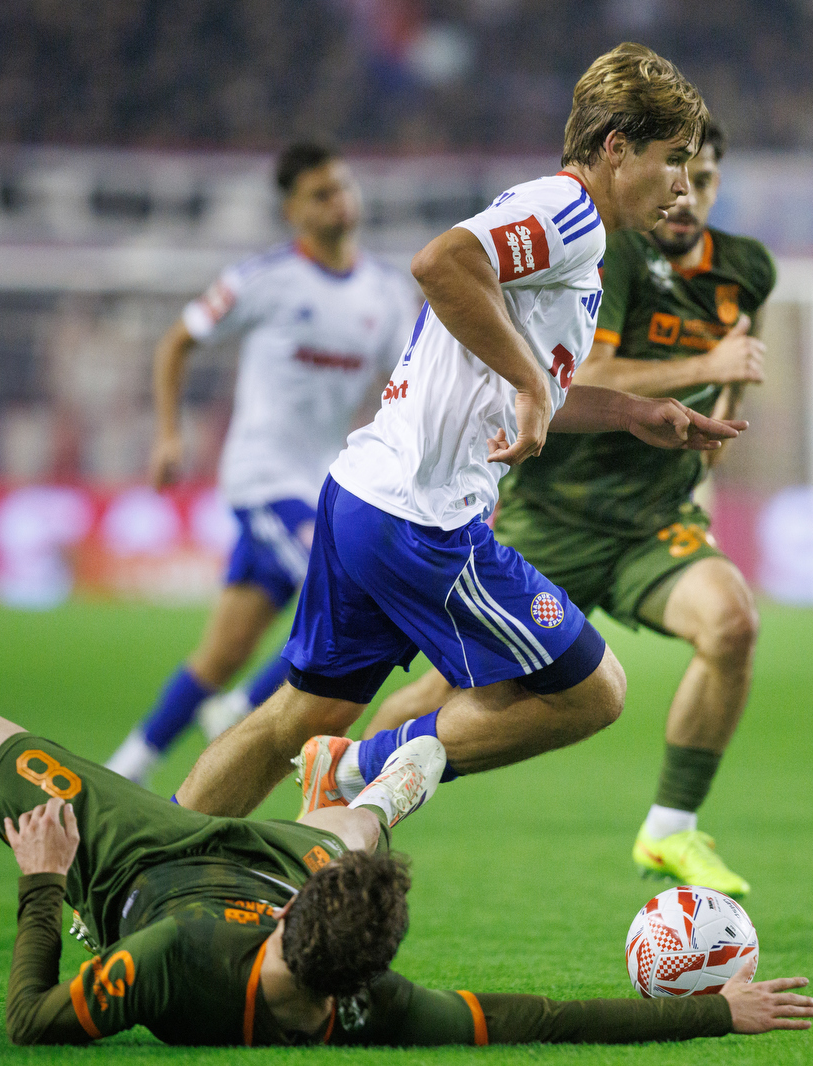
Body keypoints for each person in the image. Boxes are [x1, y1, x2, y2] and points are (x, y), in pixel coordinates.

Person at [173, 43, 747, 823]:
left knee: (296, 716)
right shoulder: (569, 213)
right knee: (593, 691)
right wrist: (527, 383)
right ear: (616, 147)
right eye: (672, 158)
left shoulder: (564, 226)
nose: (683, 185)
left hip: (365, 496)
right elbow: (441, 264)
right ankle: (357, 772)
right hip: (424, 519)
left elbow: (528, 383)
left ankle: (140, 868)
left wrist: (634, 413)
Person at [0, 698, 813, 1046]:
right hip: (282, 862)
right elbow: (537, 1018)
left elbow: (33, 1023)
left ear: (292, 934)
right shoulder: (375, 1004)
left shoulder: (181, 959)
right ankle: (373, 793)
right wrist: (711, 1016)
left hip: (139, 860)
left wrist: (43, 876)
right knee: (347, 836)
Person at [364, 123, 773, 898]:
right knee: (449, 695)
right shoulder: (611, 249)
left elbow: (734, 368)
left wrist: (722, 398)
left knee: (733, 623)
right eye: (683, 171)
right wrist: (706, 365)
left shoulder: (746, 269)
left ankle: (670, 829)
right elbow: (589, 371)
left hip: (652, 520)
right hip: (552, 514)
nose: (690, 196)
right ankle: (355, 793)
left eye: (708, 180)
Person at [105, 142, 416, 786]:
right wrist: (168, 434)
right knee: (353, 591)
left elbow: (403, 390)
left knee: (219, 654)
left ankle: (123, 770)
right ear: (291, 211)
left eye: (343, 187)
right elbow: (177, 342)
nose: (339, 201)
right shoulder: (262, 280)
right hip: (264, 479)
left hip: (325, 484)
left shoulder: (386, 293)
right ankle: (242, 716)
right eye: (321, 194)